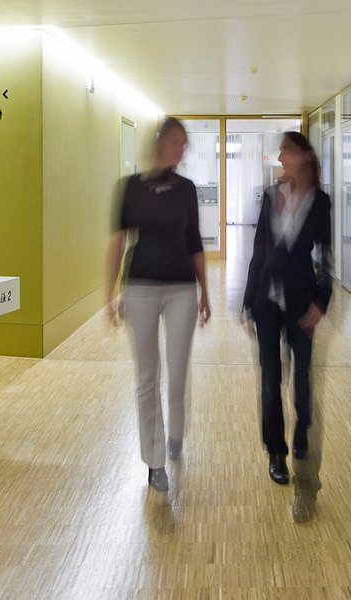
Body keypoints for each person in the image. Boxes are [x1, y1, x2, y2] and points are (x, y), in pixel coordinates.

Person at [105, 117, 211, 492]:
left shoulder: (186, 189)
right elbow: (118, 241)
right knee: (147, 377)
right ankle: (154, 460)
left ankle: (176, 433)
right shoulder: (130, 187)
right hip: (140, 288)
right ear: (160, 143)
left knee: (177, 372)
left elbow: (194, 241)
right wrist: (108, 294)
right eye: (177, 142)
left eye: (185, 143)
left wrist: (205, 292)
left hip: (181, 288)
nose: (182, 149)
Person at [243, 130, 333, 522]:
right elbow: (259, 249)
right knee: (269, 383)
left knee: (302, 385)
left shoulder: (320, 202)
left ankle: (302, 442)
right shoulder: (270, 196)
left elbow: (326, 257)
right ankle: (276, 453)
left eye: (286, 150)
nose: (280, 157)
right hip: (267, 303)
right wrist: (249, 301)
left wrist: (321, 303)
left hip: (302, 306)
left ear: (303, 155)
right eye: (280, 151)